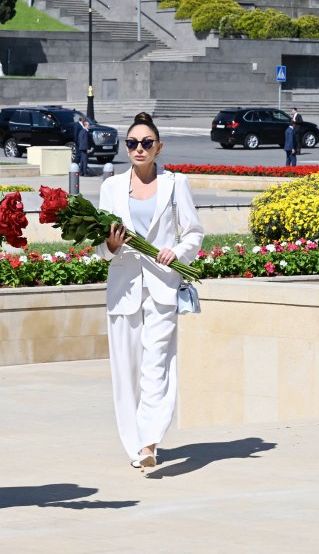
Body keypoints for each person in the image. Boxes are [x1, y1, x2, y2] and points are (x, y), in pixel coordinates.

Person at [95, 112, 204, 470]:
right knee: (127, 369)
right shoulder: (111, 187)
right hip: (124, 288)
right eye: (132, 143)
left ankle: (149, 442)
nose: (138, 149)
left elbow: (194, 233)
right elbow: (99, 245)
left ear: (158, 147)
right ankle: (134, 443)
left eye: (145, 143)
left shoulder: (176, 185)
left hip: (162, 285)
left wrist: (179, 252)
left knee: (157, 365)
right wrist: (109, 246)